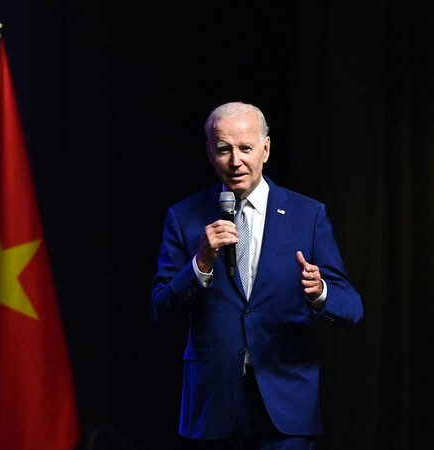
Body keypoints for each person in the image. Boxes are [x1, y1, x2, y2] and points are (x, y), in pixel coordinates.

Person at [150, 102, 363, 449]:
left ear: (265, 149)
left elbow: (352, 308)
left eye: (246, 148)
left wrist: (319, 291)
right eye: (223, 149)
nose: (235, 161)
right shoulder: (184, 217)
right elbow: (161, 312)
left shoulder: (307, 215)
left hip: (286, 405)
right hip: (213, 405)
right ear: (209, 153)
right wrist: (200, 264)